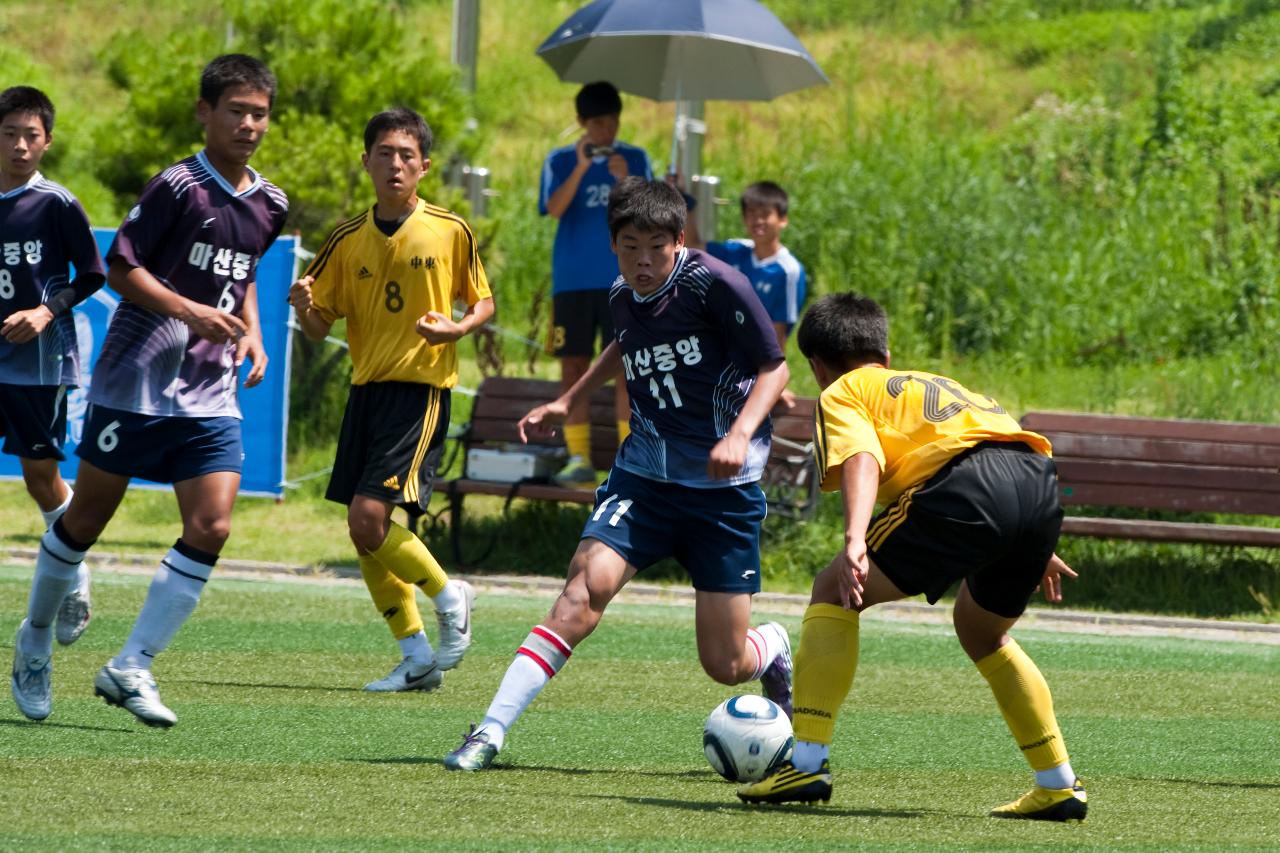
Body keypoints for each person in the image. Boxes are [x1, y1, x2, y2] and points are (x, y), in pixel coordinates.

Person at [444, 177, 793, 771]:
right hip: (645, 481)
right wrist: (567, 401)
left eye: (656, 246)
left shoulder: (715, 283)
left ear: (678, 241)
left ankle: (775, 645)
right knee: (580, 594)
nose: (643, 260)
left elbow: (774, 369)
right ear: (613, 246)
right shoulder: (620, 294)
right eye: (630, 246)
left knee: (725, 664)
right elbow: (624, 346)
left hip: (721, 494)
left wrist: (737, 435)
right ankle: (490, 730)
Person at [11, 54, 288, 727]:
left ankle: (132, 663)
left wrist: (251, 332)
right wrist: (191, 312)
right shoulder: (178, 187)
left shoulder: (272, 202)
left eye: (258, 113)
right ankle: (35, 638)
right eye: (236, 111)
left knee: (213, 523)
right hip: (135, 380)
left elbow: (243, 272)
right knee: (86, 520)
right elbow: (122, 269)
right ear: (205, 113)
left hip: (210, 389)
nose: (248, 125)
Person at [737, 293, 1087, 823]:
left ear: (818, 366)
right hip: (1039, 489)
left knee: (832, 589)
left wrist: (855, 540)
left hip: (965, 490)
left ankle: (805, 763)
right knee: (981, 630)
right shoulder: (939, 384)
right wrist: (1034, 540)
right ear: (886, 351)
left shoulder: (845, 390)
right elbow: (1002, 451)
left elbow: (862, 455)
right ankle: (1058, 783)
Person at [290, 107, 492, 692]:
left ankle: (452, 596)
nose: (396, 164)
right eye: (385, 153)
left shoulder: (450, 229)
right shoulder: (346, 240)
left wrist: (456, 330)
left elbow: (483, 301)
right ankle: (416, 658)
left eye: (407, 155)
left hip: (420, 391)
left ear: (424, 166)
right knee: (363, 531)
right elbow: (315, 324)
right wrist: (304, 304)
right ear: (366, 162)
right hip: (366, 393)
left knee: (369, 517)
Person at [2, 86, 107, 698]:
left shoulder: (56, 204)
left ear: (47, 140)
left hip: (36, 362)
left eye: (31, 135)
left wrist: (45, 313)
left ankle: (75, 573)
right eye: (10, 132)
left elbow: (93, 273)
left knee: (41, 478)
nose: (20, 144)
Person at [539, 81, 652, 489]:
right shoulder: (559, 160)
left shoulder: (635, 158)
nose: (607, 133)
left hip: (625, 282)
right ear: (582, 124)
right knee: (573, 365)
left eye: (613, 124)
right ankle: (578, 457)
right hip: (571, 282)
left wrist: (628, 183)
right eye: (599, 124)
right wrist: (584, 167)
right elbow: (553, 209)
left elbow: (650, 215)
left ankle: (631, 455)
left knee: (628, 366)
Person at [687, 180, 805, 409]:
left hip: (756, 361)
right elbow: (694, 247)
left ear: (782, 219)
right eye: (751, 213)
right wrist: (688, 205)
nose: (757, 221)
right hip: (722, 357)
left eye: (765, 214)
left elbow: (779, 330)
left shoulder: (788, 270)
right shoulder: (735, 250)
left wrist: (773, 381)